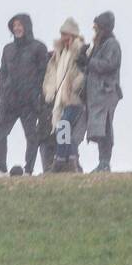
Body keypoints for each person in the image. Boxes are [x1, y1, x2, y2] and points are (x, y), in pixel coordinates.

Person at [0, 13, 48, 176]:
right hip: (9, 101)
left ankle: (28, 170)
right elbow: (2, 72)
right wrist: (2, 91)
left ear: (27, 26)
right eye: (14, 25)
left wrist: (37, 94)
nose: (17, 28)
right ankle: (1, 169)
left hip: (29, 101)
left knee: (32, 136)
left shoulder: (38, 47)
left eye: (20, 25)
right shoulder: (7, 49)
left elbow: (43, 73)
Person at [42, 17, 88, 174]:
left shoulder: (81, 50)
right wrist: (49, 90)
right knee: (65, 128)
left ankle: (60, 160)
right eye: (62, 35)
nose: (63, 38)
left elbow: (84, 72)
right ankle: (72, 162)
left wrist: (74, 86)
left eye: (66, 35)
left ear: (73, 36)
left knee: (64, 125)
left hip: (74, 98)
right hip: (59, 100)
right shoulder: (58, 54)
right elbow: (51, 74)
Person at [79, 10, 122, 173]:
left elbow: (108, 65)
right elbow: (91, 67)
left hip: (106, 91)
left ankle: (105, 162)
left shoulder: (111, 44)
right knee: (100, 128)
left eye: (97, 28)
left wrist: (89, 61)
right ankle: (102, 162)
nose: (95, 31)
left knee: (105, 127)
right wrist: (81, 61)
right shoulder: (100, 44)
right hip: (96, 94)